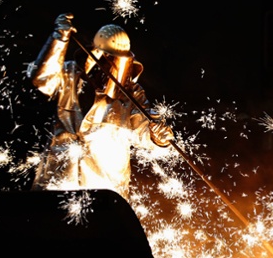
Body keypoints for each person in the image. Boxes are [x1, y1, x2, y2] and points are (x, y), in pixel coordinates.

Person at [27, 13, 174, 199]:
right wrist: (59, 39)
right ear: (95, 55)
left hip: (104, 192)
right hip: (57, 184)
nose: (110, 68)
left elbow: (144, 127)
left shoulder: (131, 93)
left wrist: (157, 137)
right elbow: (41, 79)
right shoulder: (69, 74)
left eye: (115, 62)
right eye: (107, 60)